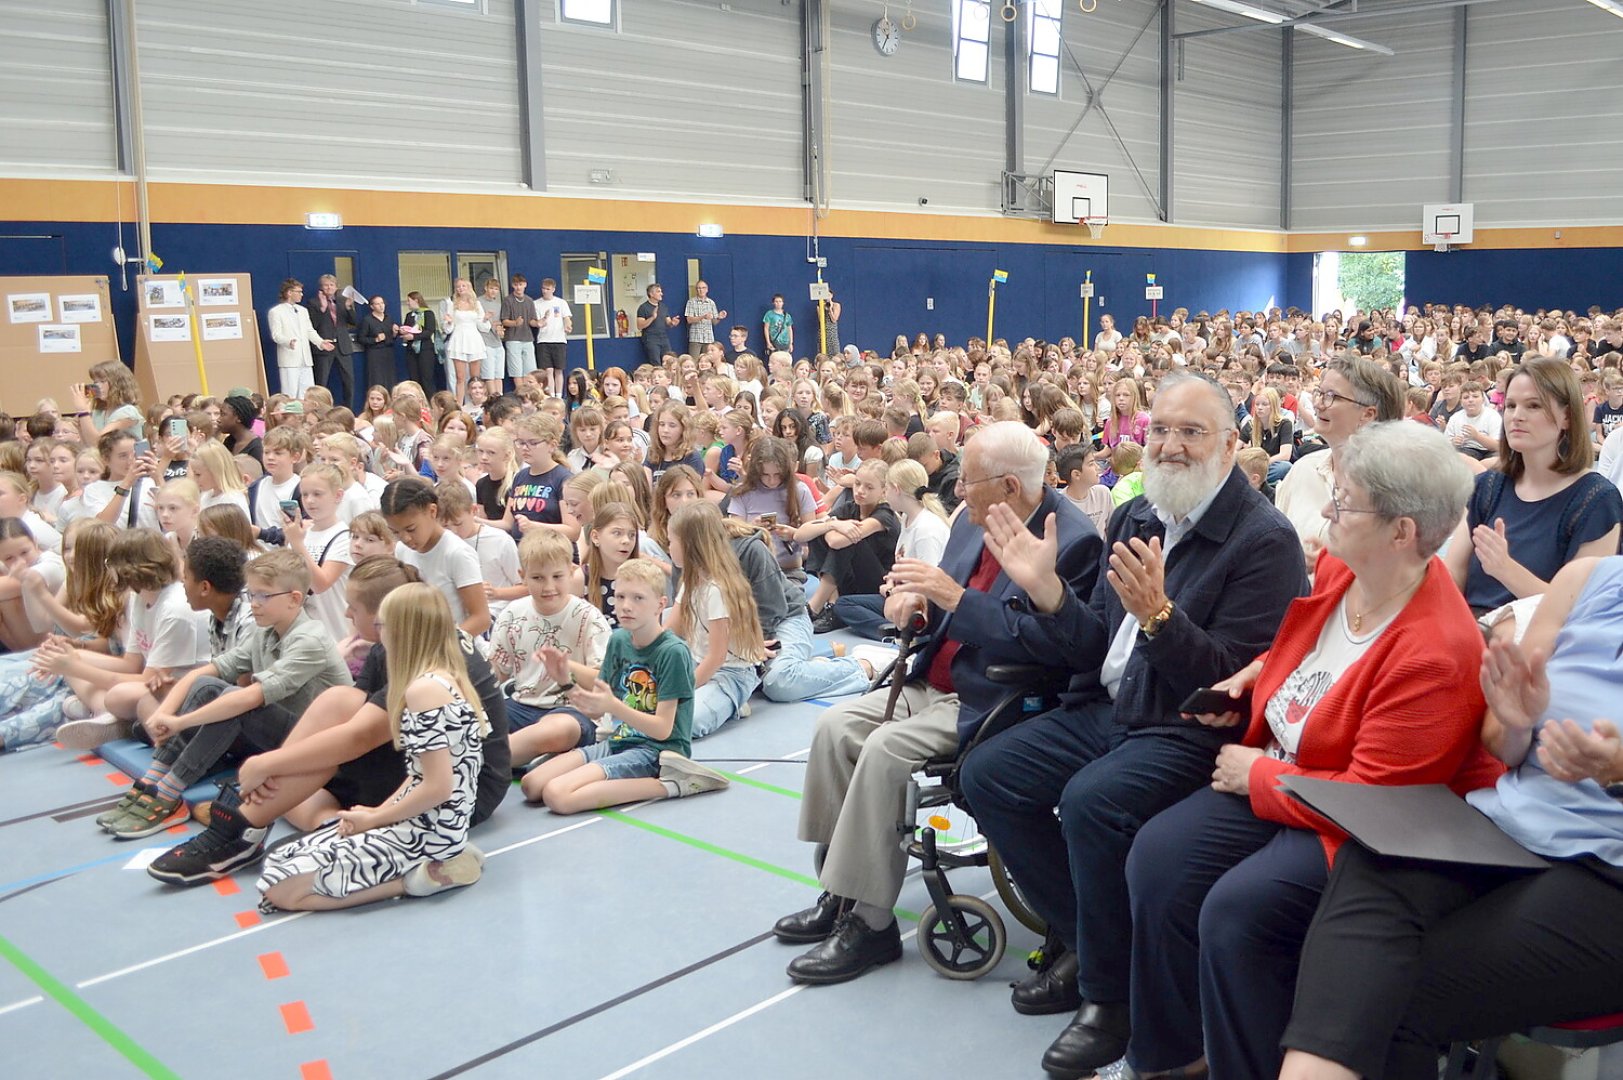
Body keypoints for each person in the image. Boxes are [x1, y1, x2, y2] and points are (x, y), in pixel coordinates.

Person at [1122, 421, 1504, 1080]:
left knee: (1237, 913)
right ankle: (1174, 1053)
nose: (1327, 511)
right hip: (1287, 768)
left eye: (1346, 502)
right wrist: (1252, 682)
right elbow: (1306, 652)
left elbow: (1377, 802)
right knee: (1156, 858)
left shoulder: (1437, 651)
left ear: (1401, 531)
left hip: (1347, 815)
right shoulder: (1342, 566)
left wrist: (1263, 776)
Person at [956, 375, 1308, 1080]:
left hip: (1183, 727)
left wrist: (1159, 616)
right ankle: (1090, 938)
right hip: (1110, 707)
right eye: (1158, 431)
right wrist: (1049, 593)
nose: (1169, 446)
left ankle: (1106, 999)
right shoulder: (1136, 515)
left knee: (1093, 802)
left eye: (1190, 432)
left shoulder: (1263, 541)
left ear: (1231, 443)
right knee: (986, 774)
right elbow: (1093, 650)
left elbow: (1232, 691)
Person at [773, 421, 1104, 986]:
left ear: (1007, 487)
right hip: (934, 676)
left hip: (996, 695)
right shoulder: (973, 523)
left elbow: (1058, 648)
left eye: (967, 481)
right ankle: (842, 889)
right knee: (834, 728)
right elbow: (942, 595)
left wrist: (954, 598)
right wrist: (918, 605)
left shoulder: (1072, 542)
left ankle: (872, 925)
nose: (955, 490)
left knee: (883, 751)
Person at [1280, 554, 1623, 1080]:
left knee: (1385, 993)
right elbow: (1503, 745)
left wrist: (1617, 771)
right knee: (1373, 858)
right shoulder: (1586, 581)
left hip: (1605, 875)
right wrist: (1516, 721)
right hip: (1507, 828)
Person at [145, 556, 511, 885]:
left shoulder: (422, 660)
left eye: (353, 608)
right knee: (335, 706)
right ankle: (262, 820)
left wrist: (265, 763)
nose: (348, 616)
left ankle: (248, 824)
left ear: (383, 614)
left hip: (461, 793)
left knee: (317, 746)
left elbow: (355, 738)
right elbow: (352, 716)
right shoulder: (393, 644)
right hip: (416, 764)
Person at [254, 582, 487, 911]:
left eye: (382, 626)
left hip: (430, 832)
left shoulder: (425, 692)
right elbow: (420, 775)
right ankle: (435, 864)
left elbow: (438, 787)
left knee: (282, 889)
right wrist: (377, 813)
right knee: (281, 858)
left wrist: (378, 820)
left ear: (402, 631)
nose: (378, 634)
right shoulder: (441, 679)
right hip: (426, 822)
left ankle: (418, 879)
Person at [100, 549, 352, 840]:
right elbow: (203, 675)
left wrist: (181, 722)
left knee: (234, 703)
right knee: (206, 688)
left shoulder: (309, 640)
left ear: (294, 599)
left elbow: (249, 698)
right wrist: (165, 713)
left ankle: (169, 791)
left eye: (263, 596)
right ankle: (153, 780)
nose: (254, 604)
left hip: (313, 743)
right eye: (251, 595)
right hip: (283, 734)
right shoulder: (266, 632)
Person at [518, 558, 731, 811]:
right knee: (531, 785)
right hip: (620, 740)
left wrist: (615, 707)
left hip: (656, 751)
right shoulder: (619, 640)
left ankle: (676, 783)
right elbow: (596, 710)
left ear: (660, 605)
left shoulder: (672, 652)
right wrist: (565, 681)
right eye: (620, 597)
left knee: (558, 796)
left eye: (638, 598)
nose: (626, 606)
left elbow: (663, 729)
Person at [1446, 359, 1623, 616]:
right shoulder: (1487, 487)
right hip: (1469, 634)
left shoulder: (1596, 499)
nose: (1517, 415)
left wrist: (1506, 569)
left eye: (1534, 405)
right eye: (1510, 405)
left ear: (1567, 418)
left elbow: (1580, 609)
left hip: (1536, 644)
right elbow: (1453, 575)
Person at [1274, 356, 1404, 579]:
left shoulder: (1398, 485)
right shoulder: (1303, 469)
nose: (1318, 404)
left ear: (1367, 414)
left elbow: (1402, 574)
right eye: (1319, 393)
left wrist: (1331, 568)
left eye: (1331, 397)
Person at [490, 530, 612, 766]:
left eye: (557, 576)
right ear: (522, 576)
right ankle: (516, 755)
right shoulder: (512, 613)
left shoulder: (588, 617)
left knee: (555, 731)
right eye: (537, 578)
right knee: (477, 721)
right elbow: (497, 671)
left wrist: (567, 667)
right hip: (521, 704)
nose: (549, 587)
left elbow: (603, 679)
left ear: (571, 571)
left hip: (572, 710)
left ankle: (486, 760)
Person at [667, 501, 766, 740]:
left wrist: (681, 691)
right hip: (695, 662)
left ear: (689, 546)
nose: (668, 547)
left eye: (672, 542)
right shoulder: (691, 581)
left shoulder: (716, 589)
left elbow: (716, 658)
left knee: (680, 723)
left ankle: (731, 701)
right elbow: (668, 632)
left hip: (728, 674)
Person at [268, 278, 333, 396]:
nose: (301, 294)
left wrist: (321, 342)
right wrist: (288, 342)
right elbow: (276, 335)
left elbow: (309, 330)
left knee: (307, 393)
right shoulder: (276, 312)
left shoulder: (303, 311)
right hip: (290, 359)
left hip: (305, 359)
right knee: (290, 393)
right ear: (289, 293)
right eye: (298, 292)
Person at [306, 274, 356, 410]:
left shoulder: (343, 300)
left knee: (349, 381)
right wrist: (322, 309)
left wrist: (349, 308)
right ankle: (320, 411)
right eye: (326, 285)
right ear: (321, 287)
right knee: (321, 382)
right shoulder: (313, 303)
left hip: (343, 346)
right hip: (324, 346)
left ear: (336, 286)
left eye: (331, 285)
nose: (329, 287)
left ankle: (348, 410)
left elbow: (353, 322)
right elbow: (312, 326)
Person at [1443, 379, 1503, 460]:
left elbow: (1498, 446)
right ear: (1461, 401)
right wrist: (1453, 442)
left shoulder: (1492, 416)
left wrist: (1477, 436)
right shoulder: (1455, 417)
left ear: (1482, 399)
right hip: (1466, 450)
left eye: (1475, 396)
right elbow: (1445, 444)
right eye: (1466, 397)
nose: (1470, 400)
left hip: (1490, 451)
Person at [534, 277, 572, 399]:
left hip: (559, 340)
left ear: (553, 289)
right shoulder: (536, 303)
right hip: (543, 340)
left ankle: (559, 395)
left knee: (559, 369)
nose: (545, 291)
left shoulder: (561, 303)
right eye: (543, 288)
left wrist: (568, 326)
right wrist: (542, 320)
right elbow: (535, 321)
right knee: (548, 370)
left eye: (548, 289)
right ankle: (551, 395)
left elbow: (566, 318)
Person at [500, 274, 539, 386]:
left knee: (531, 371)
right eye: (516, 285)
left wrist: (538, 323)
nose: (518, 287)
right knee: (516, 371)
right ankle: (521, 395)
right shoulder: (508, 300)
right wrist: (515, 323)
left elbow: (532, 320)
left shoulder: (529, 301)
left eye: (520, 285)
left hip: (527, 338)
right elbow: (504, 320)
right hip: (513, 339)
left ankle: (531, 395)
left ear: (525, 285)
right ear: (512, 285)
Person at [355, 295, 399, 394]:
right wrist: (375, 339)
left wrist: (395, 333)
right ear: (372, 306)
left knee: (390, 378)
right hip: (374, 353)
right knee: (376, 379)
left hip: (388, 352)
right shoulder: (367, 320)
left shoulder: (389, 318)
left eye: (382, 303)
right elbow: (361, 338)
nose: (381, 306)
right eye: (377, 304)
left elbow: (392, 337)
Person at [399, 292, 439, 393]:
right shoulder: (409, 315)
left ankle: (430, 402)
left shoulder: (428, 313)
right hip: (411, 350)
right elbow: (407, 328)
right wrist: (403, 332)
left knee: (426, 378)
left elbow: (429, 331)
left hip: (425, 349)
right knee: (414, 378)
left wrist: (413, 336)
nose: (407, 303)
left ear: (416, 300)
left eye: (409, 301)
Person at [476, 277, 505, 401]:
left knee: (499, 374)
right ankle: (493, 400)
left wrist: (499, 329)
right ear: (485, 288)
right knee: (489, 375)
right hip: (485, 341)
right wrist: (487, 319)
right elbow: (478, 322)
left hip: (497, 342)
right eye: (491, 288)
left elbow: (498, 322)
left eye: (496, 289)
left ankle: (500, 397)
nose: (493, 291)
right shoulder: (478, 302)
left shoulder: (498, 305)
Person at [684, 279, 726, 358]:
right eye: (699, 288)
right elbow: (689, 320)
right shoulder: (691, 302)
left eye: (703, 288)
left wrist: (719, 317)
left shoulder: (711, 303)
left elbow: (714, 322)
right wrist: (703, 317)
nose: (701, 290)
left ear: (707, 290)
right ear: (696, 290)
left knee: (708, 360)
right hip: (696, 337)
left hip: (708, 338)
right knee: (694, 360)